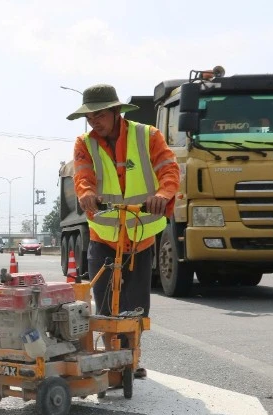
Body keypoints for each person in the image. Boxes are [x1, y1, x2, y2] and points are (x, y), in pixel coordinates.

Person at [67, 84, 179, 379]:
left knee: (136, 299)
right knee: (103, 297)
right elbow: (82, 176)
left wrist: (163, 195)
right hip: (103, 234)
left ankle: (131, 357)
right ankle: (111, 354)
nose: (94, 122)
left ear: (117, 112)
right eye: (89, 118)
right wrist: (87, 193)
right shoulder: (84, 143)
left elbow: (169, 169)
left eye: (99, 115)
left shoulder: (148, 136)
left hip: (141, 233)